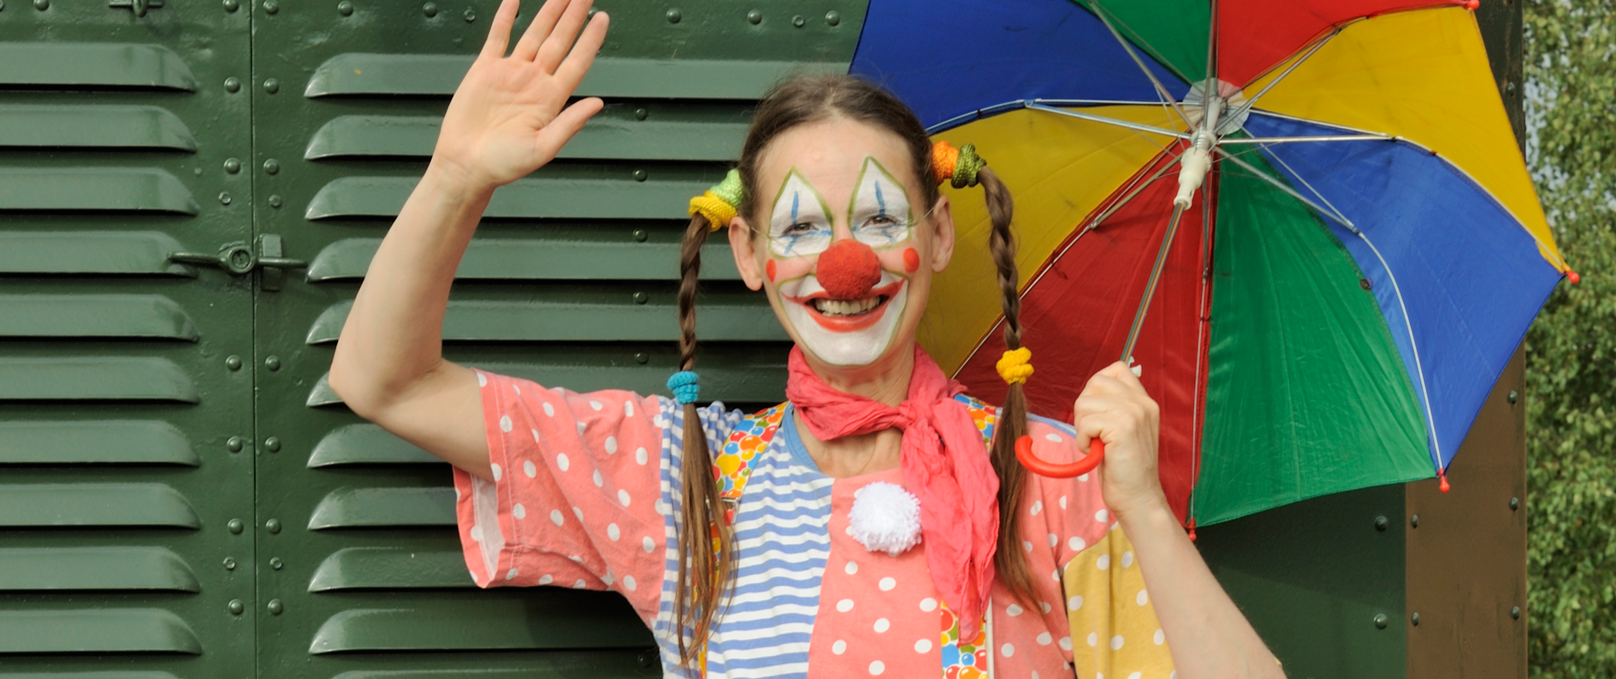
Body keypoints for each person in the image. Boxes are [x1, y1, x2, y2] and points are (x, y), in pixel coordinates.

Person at [328, 0, 1285, 676]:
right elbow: (386, 383)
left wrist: (1144, 511)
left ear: (938, 233)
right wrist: (456, 175)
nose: (844, 267)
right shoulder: (676, 472)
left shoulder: (1044, 473)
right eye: (798, 228)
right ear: (747, 253)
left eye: (877, 220)